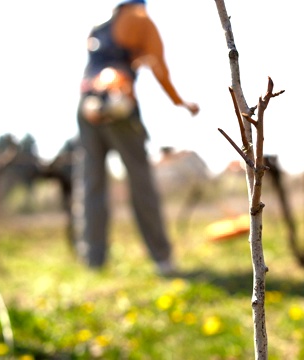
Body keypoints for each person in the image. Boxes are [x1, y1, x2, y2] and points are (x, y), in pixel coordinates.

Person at [74, 0, 199, 275]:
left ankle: (93, 261)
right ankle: (162, 259)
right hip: (118, 105)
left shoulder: (100, 24)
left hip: (87, 106)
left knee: (91, 184)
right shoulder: (140, 19)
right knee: (140, 183)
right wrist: (181, 102)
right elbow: (160, 69)